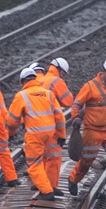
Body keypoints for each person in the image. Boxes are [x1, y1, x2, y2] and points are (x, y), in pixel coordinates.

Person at [67, 56, 106, 201]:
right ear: (104, 71)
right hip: (92, 130)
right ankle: (73, 179)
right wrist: (75, 118)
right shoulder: (90, 86)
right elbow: (76, 105)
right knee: (87, 159)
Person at [8, 64, 65, 200]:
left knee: (34, 164)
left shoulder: (21, 95)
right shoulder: (48, 93)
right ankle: (51, 185)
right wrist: (62, 134)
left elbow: (11, 120)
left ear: (23, 81)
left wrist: (11, 132)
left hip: (35, 134)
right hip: (50, 133)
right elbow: (59, 115)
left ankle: (46, 191)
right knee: (51, 157)